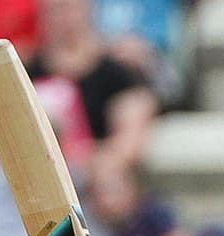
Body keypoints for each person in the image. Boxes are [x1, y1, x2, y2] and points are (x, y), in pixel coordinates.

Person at [26, 0, 156, 178]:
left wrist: (82, 160)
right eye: (54, 10)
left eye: (69, 8)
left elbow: (128, 144)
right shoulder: (26, 74)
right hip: (39, 174)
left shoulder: (119, 74)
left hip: (95, 178)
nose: (63, 18)